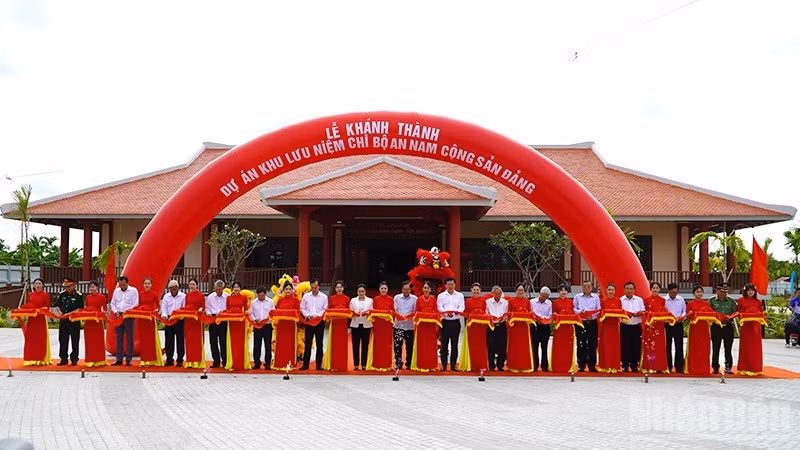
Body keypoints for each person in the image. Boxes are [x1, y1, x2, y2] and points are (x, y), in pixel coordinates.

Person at [459, 282, 490, 372]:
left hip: (481, 327)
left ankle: (481, 365)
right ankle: (471, 365)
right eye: (474, 290)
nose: (476, 291)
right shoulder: (468, 301)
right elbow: (465, 313)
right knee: (472, 346)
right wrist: (471, 315)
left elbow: (484, 312)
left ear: (480, 290)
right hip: (471, 327)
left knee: (481, 346)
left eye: (477, 290)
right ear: (471, 290)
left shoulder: (483, 301)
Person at [685, 285, 715, 375]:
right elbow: (688, 315)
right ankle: (692, 368)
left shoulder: (706, 304)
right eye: (697, 292)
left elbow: (711, 314)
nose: (699, 293)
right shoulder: (690, 304)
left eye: (701, 292)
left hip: (704, 328)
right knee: (694, 347)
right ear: (693, 293)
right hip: (694, 328)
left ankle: (704, 369)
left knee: (704, 348)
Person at [134, 278, 163, 367]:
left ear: (151, 285)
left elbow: (158, 306)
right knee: (143, 340)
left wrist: (156, 311)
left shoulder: (154, 295)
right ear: (143, 285)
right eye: (145, 283)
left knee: (150, 340)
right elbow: (138, 305)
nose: (147, 285)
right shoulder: (140, 294)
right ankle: (144, 359)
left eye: (149, 283)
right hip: (142, 319)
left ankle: (151, 360)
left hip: (150, 319)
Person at [21, 278, 52, 366]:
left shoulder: (45, 295)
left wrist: (39, 310)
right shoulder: (30, 295)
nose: (37, 285)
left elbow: (47, 307)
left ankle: (41, 359)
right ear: (33, 285)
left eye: (39, 283)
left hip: (41, 319)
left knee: (40, 338)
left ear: (43, 285)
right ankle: (30, 359)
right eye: (36, 284)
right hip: (32, 320)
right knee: (30, 339)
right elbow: (28, 306)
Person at [737, 283, 765, 375]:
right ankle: (744, 367)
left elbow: (761, 312)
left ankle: (755, 368)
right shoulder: (741, 300)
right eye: (749, 290)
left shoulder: (758, 301)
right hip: (745, 327)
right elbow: (739, 312)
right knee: (745, 347)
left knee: (755, 348)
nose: (750, 292)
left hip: (755, 327)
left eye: (752, 290)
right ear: (745, 291)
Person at [437, 277, 465, 371]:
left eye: (452, 284)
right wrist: (446, 313)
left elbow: (461, 306)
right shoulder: (441, 296)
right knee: (444, 345)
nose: (450, 286)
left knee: (454, 344)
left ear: (455, 285)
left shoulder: (460, 295)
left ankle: (453, 365)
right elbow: (439, 307)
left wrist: (457, 312)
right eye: (448, 284)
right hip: (445, 322)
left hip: (455, 322)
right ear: (445, 285)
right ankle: (444, 365)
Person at [641, 281, 669, 373]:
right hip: (650, 325)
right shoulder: (646, 300)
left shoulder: (663, 300)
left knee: (659, 346)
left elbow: (664, 311)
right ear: (650, 289)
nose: (655, 289)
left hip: (659, 326)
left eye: (657, 288)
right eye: (653, 288)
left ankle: (659, 366)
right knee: (650, 346)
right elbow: (644, 311)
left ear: (659, 289)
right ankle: (650, 365)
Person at [110, 276, 138, 366]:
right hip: (118, 316)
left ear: (127, 283)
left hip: (129, 316)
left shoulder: (133, 290)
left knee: (130, 338)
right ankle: (119, 359)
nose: (122, 286)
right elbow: (112, 303)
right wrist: (115, 311)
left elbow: (135, 304)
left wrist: (127, 312)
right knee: (118, 338)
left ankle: (129, 359)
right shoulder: (116, 291)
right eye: (120, 285)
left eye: (123, 285)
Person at [411, 281, 439, 371]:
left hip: (431, 326)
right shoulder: (419, 299)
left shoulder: (433, 300)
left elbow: (436, 312)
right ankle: (421, 364)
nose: (426, 289)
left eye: (428, 288)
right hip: (422, 326)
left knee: (430, 346)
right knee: (422, 345)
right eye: (425, 288)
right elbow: (416, 312)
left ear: (430, 289)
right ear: (422, 289)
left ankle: (431, 365)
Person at [300, 278, 328, 370]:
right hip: (309, 321)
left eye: (315, 287)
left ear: (319, 286)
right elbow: (302, 307)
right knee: (308, 343)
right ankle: (305, 364)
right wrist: (307, 315)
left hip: (319, 321)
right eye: (312, 287)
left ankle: (319, 364)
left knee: (319, 343)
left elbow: (325, 308)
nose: (314, 289)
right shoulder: (306, 296)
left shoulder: (324, 297)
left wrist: (318, 316)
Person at [573, 280, 600, 372]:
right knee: (581, 343)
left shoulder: (595, 297)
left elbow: (598, 309)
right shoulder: (577, 297)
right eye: (585, 286)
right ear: (582, 287)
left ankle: (592, 365)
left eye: (588, 286)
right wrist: (580, 312)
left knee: (592, 344)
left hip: (592, 322)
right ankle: (581, 364)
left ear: (592, 287)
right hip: (581, 322)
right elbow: (574, 308)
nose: (587, 288)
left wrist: (592, 316)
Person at [506, 283, 534, 372]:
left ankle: (525, 366)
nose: (520, 292)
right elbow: (508, 313)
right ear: (516, 291)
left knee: (524, 347)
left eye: (522, 290)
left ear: (524, 291)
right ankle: (513, 366)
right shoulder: (511, 301)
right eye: (518, 290)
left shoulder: (527, 301)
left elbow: (530, 312)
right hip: (514, 327)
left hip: (524, 327)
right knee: (514, 347)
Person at [55, 278, 84, 366]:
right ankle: (63, 358)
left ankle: (74, 358)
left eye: (68, 286)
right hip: (63, 320)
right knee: (63, 339)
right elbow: (57, 305)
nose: (67, 288)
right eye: (65, 286)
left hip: (74, 321)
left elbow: (80, 308)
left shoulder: (78, 295)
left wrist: (70, 314)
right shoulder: (62, 294)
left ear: (73, 285)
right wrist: (59, 312)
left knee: (75, 340)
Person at [709, 282, 736, 374]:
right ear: (717, 290)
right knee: (716, 347)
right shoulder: (711, 301)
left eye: (726, 292)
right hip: (716, 326)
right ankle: (715, 367)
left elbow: (735, 312)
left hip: (728, 326)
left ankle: (728, 367)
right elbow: (709, 312)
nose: (724, 294)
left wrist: (730, 316)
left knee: (728, 348)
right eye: (722, 291)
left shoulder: (731, 301)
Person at [324, 281, 351, 371]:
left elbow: (349, 310)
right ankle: (334, 365)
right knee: (335, 345)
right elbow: (329, 309)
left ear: (343, 288)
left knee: (342, 345)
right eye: (337, 287)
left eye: (340, 287)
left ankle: (342, 366)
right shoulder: (331, 298)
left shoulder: (347, 298)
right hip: (334, 324)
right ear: (335, 289)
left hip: (343, 324)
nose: (339, 289)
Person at [368, 281, 395, 371]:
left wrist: (389, 316)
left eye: (385, 288)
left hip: (387, 325)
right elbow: (373, 312)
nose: (383, 290)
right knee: (378, 344)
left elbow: (392, 311)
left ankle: (387, 364)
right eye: (382, 288)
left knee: (387, 344)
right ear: (379, 289)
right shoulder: (375, 299)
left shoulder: (391, 299)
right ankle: (377, 364)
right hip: (378, 325)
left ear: (387, 289)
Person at [273, 281, 300, 369]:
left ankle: (290, 363)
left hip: (291, 326)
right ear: (283, 290)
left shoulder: (296, 301)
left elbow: (298, 313)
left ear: (292, 290)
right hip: (281, 325)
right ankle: (280, 363)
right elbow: (277, 311)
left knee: (290, 344)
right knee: (281, 344)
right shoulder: (280, 301)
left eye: (290, 289)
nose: (288, 291)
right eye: (286, 289)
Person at [597, 283, 624, 373]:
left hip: (615, 326)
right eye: (609, 290)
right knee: (606, 346)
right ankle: (605, 365)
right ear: (606, 291)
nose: (611, 291)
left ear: (615, 291)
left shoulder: (618, 301)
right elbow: (600, 313)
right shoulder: (603, 301)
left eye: (612, 290)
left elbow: (620, 312)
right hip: (606, 326)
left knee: (614, 346)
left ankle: (614, 366)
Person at [551, 285, 578, 373]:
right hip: (559, 328)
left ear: (567, 292)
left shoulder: (570, 302)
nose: (563, 292)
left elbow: (573, 313)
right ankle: (557, 366)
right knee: (559, 347)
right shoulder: (555, 302)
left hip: (568, 327)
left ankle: (568, 366)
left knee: (568, 348)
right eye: (561, 290)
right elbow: (553, 314)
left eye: (565, 290)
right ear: (558, 292)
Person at [223, 281, 250, 371]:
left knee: (240, 343)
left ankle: (241, 363)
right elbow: (227, 310)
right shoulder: (229, 298)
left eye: (238, 287)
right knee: (232, 342)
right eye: (234, 287)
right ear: (232, 289)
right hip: (232, 323)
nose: (236, 288)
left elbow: (246, 310)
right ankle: (231, 362)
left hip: (240, 323)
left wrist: (247, 312)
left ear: (240, 288)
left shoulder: (244, 298)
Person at [619, 281, 645, 372]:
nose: (629, 290)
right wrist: (626, 314)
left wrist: (638, 313)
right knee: (625, 345)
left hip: (636, 326)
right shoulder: (620, 300)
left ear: (634, 290)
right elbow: (619, 311)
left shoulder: (639, 300)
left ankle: (634, 365)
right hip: (625, 325)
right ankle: (625, 364)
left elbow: (643, 310)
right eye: (627, 288)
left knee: (636, 345)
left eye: (631, 289)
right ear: (624, 290)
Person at [81, 281, 107, 367]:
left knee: (98, 340)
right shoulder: (87, 297)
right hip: (89, 321)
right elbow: (86, 307)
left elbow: (104, 308)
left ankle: (99, 360)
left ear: (97, 287)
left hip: (97, 321)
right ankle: (90, 359)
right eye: (90, 287)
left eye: (93, 287)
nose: (91, 288)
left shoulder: (102, 297)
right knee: (89, 341)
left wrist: (102, 314)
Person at [160, 280, 186, 367]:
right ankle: (169, 359)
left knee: (180, 340)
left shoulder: (183, 296)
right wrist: (164, 316)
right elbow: (164, 308)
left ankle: (180, 359)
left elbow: (184, 307)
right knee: (169, 340)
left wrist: (181, 315)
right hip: (169, 319)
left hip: (179, 320)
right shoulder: (166, 297)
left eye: (175, 288)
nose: (173, 291)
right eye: (171, 289)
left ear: (178, 288)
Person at [393, 280, 417, 370]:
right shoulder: (397, 298)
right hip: (398, 325)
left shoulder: (415, 299)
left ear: (410, 289)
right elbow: (394, 309)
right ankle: (398, 362)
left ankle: (409, 363)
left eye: (408, 289)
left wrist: (408, 316)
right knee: (397, 345)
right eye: (404, 289)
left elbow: (415, 311)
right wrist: (399, 315)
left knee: (409, 346)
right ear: (402, 289)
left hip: (409, 326)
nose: (406, 291)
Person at [249, 286, 275, 369]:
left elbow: (273, 312)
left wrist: (269, 319)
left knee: (268, 345)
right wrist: (254, 319)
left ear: (265, 294)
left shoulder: (270, 302)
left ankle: (267, 363)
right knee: (257, 345)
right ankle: (257, 363)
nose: (260, 297)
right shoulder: (253, 303)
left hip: (267, 325)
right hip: (257, 325)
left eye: (262, 296)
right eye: (259, 296)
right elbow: (251, 313)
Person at [182, 278, 206, 369]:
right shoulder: (187, 295)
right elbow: (186, 306)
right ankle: (189, 361)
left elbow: (203, 306)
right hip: (189, 320)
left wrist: (201, 309)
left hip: (197, 321)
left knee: (196, 341)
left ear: (197, 285)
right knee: (189, 340)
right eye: (190, 284)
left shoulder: (201, 295)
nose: (192, 286)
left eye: (193, 284)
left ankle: (197, 361)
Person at [206, 280, 229, 368]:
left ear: (223, 288)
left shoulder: (228, 297)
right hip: (213, 319)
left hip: (223, 320)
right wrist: (208, 313)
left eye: (219, 289)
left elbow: (229, 308)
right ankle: (216, 361)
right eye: (216, 289)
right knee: (213, 341)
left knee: (223, 341)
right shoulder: (210, 296)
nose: (218, 291)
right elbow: (207, 308)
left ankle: (225, 361)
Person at [664, 282, 686, 372]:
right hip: (668, 324)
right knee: (667, 345)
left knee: (679, 345)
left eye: (676, 292)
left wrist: (681, 317)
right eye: (672, 292)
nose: (674, 294)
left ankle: (679, 366)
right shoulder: (664, 300)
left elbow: (684, 311)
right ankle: (668, 365)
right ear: (668, 291)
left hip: (678, 323)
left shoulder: (681, 299)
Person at [349, 284, 373, 370]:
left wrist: (367, 313)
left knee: (365, 345)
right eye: (359, 291)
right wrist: (355, 313)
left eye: (363, 291)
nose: (361, 293)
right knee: (355, 345)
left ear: (365, 292)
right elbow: (350, 310)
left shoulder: (370, 300)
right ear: (357, 292)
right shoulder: (353, 300)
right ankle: (356, 364)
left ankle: (364, 364)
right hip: (355, 324)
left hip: (366, 324)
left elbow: (372, 311)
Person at [485, 285, 508, 371]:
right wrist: (492, 318)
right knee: (491, 345)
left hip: (501, 325)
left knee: (502, 345)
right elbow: (486, 313)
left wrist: (503, 318)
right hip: (492, 325)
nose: (498, 295)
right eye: (496, 293)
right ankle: (491, 365)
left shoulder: (505, 302)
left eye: (499, 293)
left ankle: (500, 365)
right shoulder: (488, 302)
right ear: (492, 293)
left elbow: (506, 313)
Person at [531, 286, 552, 372]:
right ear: (539, 294)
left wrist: (544, 319)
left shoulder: (549, 303)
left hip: (545, 326)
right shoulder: (532, 302)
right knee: (534, 346)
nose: (543, 298)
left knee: (544, 346)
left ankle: (544, 366)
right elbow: (530, 313)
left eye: (545, 297)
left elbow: (550, 315)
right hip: (535, 326)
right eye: (542, 296)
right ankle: (534, 365)